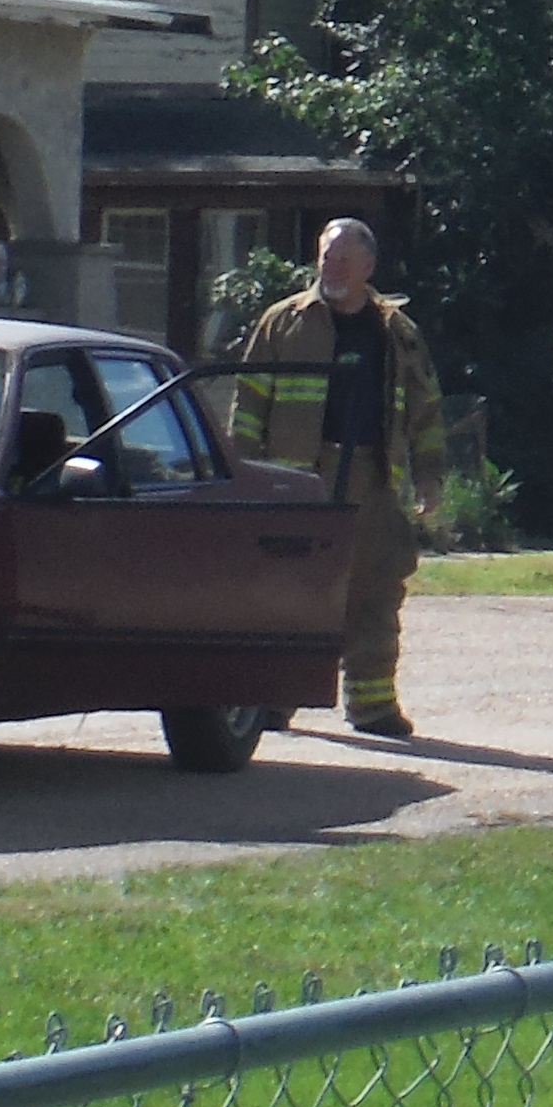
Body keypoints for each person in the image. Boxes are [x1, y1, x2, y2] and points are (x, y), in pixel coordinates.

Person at [224, 218, 447, 738]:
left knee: (375, 588)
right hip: (295, 480)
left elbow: (425, 410)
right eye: (326, 257)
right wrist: (242, 475)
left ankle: (372, 706)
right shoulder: (283, 323)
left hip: (370, 477)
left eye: (344, 260)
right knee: (286, 590)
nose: (332, 268)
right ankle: (274, 700)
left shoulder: (397, 332)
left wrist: (430, 476)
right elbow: (249, 404)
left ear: (369, 267)